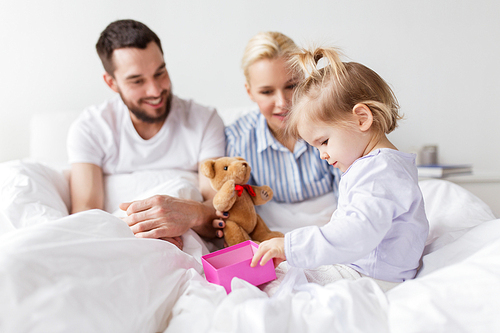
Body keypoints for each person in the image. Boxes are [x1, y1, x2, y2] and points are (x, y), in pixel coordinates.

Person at [251, 46, 429, 288]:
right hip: (362, 267)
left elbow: (355, 234)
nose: (322, 155)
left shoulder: (379, 173)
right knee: (289, 273)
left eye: (324, 142)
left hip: (373, 277)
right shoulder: (375, 166)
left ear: (362, 119)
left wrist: (290, 245)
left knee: (282, 285)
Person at [67, 20, 225, 249]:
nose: (155, 90)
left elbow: (218, 211)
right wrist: (142, 229)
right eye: (137, 81)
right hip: (117, 244)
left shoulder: (204, 120)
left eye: (160, 73)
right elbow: (83, 218)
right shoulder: (91, 128)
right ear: (111, 82)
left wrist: (190, 213)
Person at [220, 32, 340, 231]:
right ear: (250, 92)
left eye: (291, 86)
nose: (282, 103)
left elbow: (351, 196)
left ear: (304, 79)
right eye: (266, 92)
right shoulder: (237, 141)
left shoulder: (331, 126)